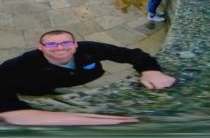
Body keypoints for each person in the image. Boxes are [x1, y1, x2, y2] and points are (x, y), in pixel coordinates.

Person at [0, 30, 175, 126]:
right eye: (52, 44)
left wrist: (150, 69)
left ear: (75, 45)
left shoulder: (89, 48)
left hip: (79, 79)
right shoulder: (25, 62)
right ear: (40, 47)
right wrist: (11, 109)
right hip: (37, 88)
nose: (60, 47)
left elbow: (128, 54)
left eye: (66, 42)